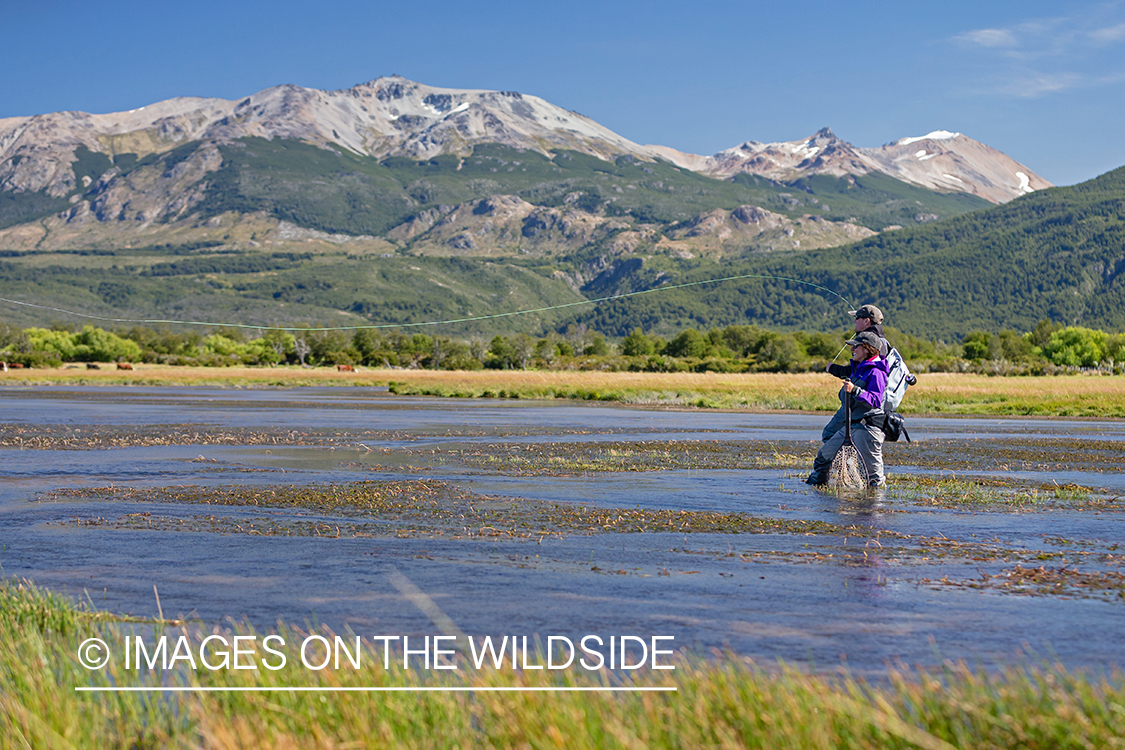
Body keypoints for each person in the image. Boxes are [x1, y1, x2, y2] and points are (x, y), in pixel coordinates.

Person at [806, 330, 890, 488]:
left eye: (855, 346)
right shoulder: (861, 369)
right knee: (824, 456)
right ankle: (817, 488)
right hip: (852, 427)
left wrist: (855, 390)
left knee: (874, 479)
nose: (852, 350)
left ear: (866, 349)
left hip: (868, 429)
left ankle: (876, 508)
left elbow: (876, 400)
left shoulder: (876, 372)